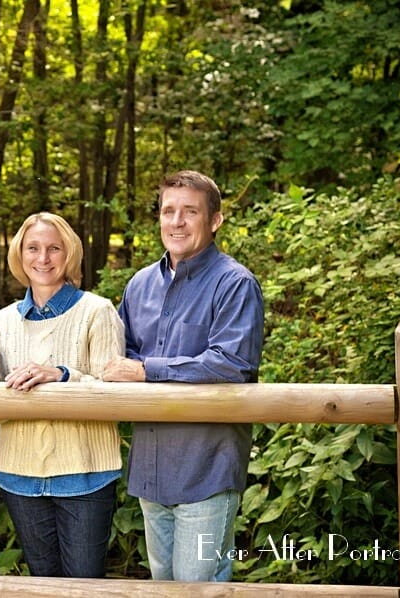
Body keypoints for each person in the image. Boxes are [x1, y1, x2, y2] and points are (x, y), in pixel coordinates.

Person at [102, 170, 264, 582]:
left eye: (190, 211)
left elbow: (230, 363)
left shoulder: (235, 283)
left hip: (206, 467)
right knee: (162, 585)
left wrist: (146, 370)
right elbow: (120, 357)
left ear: (215, 220)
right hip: (151, 469)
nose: (176, 221)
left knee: (199, 587)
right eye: (168, 211)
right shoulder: (140, 285)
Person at [0, 212, 125, 578]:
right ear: (20, 255)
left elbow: (114, 393)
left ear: (70, 255)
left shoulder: (97, 311)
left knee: (84, 584)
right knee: (42, 583)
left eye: (54, 248)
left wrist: (63, 375)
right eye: (33, 248)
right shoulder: (2, 321)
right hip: (18, 471)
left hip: (85, 471)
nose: (43, 258)